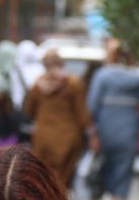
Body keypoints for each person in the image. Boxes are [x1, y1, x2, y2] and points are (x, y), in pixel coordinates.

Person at [86, 41, 139, 200]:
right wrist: (135, 122)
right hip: (128, 134)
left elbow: (91, 106)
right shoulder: (138, 79)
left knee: (97, 174)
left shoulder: (102, 76)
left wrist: (94, 131)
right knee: (123, 176)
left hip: (104, 133)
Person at [24, 49, 91, 187]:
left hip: (43, 136)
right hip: (68, 135)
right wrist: (91, 132)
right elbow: (82, 113)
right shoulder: (73, 83)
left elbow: (29, 110)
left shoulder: (38, 85)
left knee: (44, 179)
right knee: (62, 180)